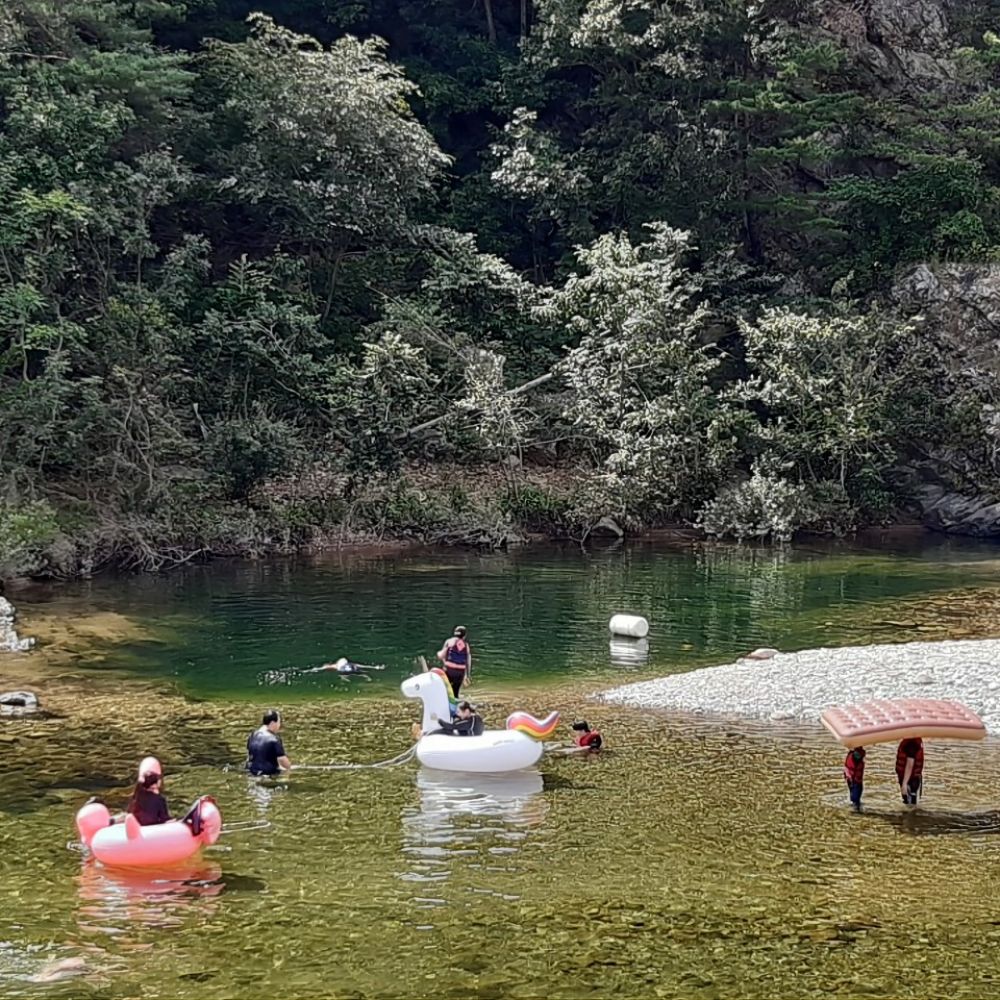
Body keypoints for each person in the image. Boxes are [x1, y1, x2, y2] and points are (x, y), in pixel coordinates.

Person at [246, 709, 292, 776]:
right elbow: (283, 761)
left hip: (252, 772)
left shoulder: (252, 735)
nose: (279, 726)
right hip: (268, 774)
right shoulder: (274, 739)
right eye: (279, 722)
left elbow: (249, 756)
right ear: (273, 723)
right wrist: (290, 770)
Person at [437, 625, 472, 699]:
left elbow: (441, 655)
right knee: (455, 692)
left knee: (445, 690)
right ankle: (455, 705)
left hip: (449, 670)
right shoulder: (466, 645)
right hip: (460, 672)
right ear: (464, 636)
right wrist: (467, 675)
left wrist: (438, 653)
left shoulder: (449, 641)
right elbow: (468, 661)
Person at [896, 737, 924, 806]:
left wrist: (904, 783)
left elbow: (910, 763)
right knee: (911, 805)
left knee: (909, 806)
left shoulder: (911, 743)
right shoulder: (914, 741)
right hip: (913, 780)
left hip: (910, 782)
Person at [843, 746, 866, 813]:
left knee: (854, 799)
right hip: (854, 781)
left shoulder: (851, 755)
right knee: (855, 799)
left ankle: (856, 810)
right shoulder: (853, 756)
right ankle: (856, 810)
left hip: (854, 781)